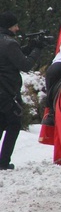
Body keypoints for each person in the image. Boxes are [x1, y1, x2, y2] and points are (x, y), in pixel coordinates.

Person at [0, 12, 44, 170]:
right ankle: (4, 162)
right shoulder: (9, 43)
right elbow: (25, 65)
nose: (18, 28)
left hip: (2, 92)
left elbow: (12, 57)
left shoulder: (6, 42)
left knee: (1, 123)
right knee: (14, 124)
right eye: (15, 25)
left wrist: (29, 47)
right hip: (7, 92)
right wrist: (37, 49)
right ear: (9, 26)